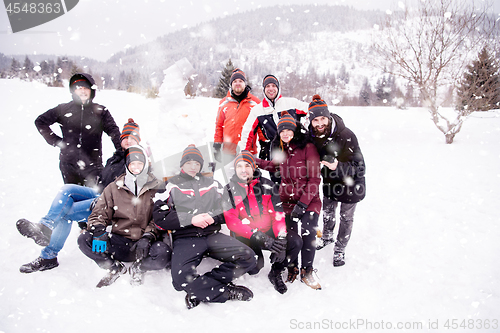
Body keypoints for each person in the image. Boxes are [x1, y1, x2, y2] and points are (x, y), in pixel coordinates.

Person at [17, 119, 143, 274]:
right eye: (126, 137)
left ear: (138, 141)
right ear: (121, 139)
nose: (129, 141)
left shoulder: (138, 160)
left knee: (66, 213)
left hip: (113, 205)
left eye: (133, 138)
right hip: (100, 195)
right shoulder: (116, 157)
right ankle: (45, 226)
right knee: (67, 189)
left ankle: (49, 255)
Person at [153, 145, 256, 309]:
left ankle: (201, 287)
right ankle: (224, 292)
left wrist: (212, 216)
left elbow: (228, 210)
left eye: (196, 163)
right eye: (189, 163)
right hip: (186, 239)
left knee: (249, 257)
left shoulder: (213, 184)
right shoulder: (169, 186)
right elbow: (160, 218)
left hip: (212, 236)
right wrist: (190, 219)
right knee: (180, 280)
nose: (193, 167)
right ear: (182, 165)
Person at [78, 145, 171, 287]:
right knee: (84, 240)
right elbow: (99, 212)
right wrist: (99, 231)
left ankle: (139, 267)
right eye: (132, 163)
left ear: (145, 165)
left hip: (145, 245)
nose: (136, 167)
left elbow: (159, 217)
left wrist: (148, 236)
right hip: (119, 241)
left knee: (163, 254)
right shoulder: (114, 188)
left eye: (140, 163)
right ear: (127, 165)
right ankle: (114, 267)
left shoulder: (156, 187)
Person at [256, 112, 322, 290]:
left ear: (294, 130)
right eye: (282, 131)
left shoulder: (308, 147)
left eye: (288, 130)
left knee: (308, 231)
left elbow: (315, 179)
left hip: (309, 199)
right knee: (290, 236)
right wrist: (255, 162)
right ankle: (291, 266)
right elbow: (274, 166)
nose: (285, 134)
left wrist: (303, 204)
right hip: (287, 200)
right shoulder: (282, 148)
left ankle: (307, 270)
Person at [223, 151, 302, 294]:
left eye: (247, 165)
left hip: (267, 230)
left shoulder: (268, 186)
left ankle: (276, 271)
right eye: (239, 166)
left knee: (295, 242)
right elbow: (232, 222)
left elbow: (277, 215)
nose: (243, 170)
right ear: (235, 169)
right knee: (255, 267)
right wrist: (261, 238)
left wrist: (281, 241)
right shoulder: (229, 190)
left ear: (254, 167)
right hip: (246, 235)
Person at [307, 95, 366, 267]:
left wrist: (337, 166)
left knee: (346, 218)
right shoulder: (313, 136)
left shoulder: (347, 136)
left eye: (323, 118)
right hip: (330, 183)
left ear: (329, 117)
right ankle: (326, 237)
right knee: (328, 213)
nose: (320, 123)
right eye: (315, 120)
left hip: (351, 185)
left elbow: (360, 168)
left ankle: (340, 250)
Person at [35, 73, 121, 187]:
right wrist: (57, 141)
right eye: (79, 88)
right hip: (68, 164)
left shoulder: (101, 111)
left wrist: (122, 150)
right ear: (74, 91)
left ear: (92, 90)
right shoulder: (63, 109)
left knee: (96, 199)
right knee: (74, 197)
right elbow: (40, 122)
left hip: (93, 165)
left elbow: (113, 131)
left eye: (86, 88)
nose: (83, 91)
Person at [241, 74, 309, 162]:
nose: (271, 89)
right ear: (264, 89)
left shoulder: (291, 103)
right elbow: (247, 132)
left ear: (278, 88)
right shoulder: (257, 110)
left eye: (273, 85)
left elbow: (313, 111)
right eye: (267, 86)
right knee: (276, 175)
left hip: (296, 149)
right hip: (275, 151)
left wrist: (305, 130)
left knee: (299, 175)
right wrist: (243, 152)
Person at [213, 68, 260, 162]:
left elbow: (261, 126)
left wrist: (264, 143)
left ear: (245, 84)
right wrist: (217, 144)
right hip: (228, 152)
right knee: (229, 176)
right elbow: (219, 125)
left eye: (240, 81)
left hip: (249, 151)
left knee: (250, 176)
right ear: (231, 84)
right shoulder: (223, 103)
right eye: (234, 81)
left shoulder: (255, 103)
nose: (237, 83)